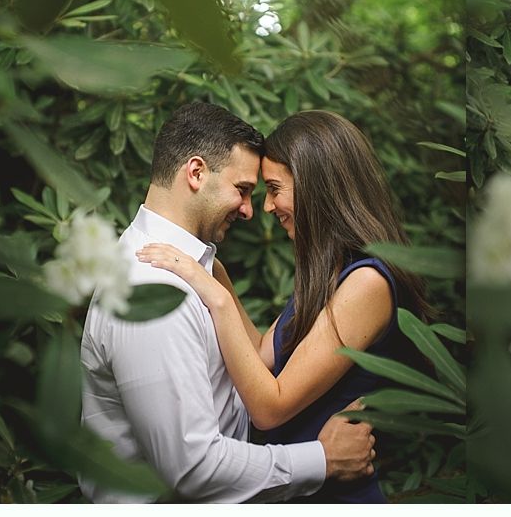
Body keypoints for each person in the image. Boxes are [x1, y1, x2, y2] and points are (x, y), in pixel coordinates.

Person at [79, 102, 375, 503]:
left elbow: (254, 361)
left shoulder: (195, 270)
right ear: (196, 172)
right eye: (244, 190)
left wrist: (218, 286)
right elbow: (194, 468)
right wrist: (321, 460)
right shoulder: (150, 287)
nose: (252, 210)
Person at [137, 110, 432, 503]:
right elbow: (262, 357)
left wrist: (217, 296)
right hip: (297, 487)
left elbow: (269, 407)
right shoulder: (331, 275)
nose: (268, 206)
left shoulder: (367, 283)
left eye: (275, 189)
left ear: (317, 187)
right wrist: (215, 270)